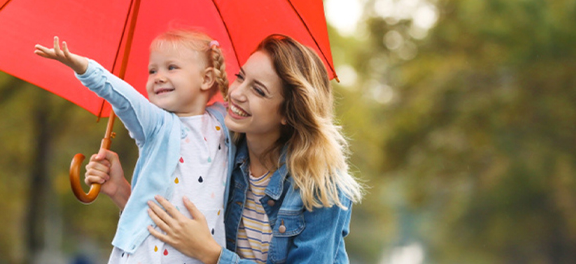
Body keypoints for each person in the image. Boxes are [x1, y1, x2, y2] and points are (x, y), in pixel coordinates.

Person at [87, 34, 363, 263]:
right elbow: (177, 227)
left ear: (288, 113)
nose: (237, 93)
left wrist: (213, 254)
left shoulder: (321, 185)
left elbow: (200, 245)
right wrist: (122, 191)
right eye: (240, 77)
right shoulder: (222, 153)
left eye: (258, 91)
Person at [35, 29, 236, 264]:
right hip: (150, 255)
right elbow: (124, 98)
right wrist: (84, 68)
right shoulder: (158, 124)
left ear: (206, 79)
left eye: (172, 67)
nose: (158, 77)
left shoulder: (223, 122)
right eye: (153, 70)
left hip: (200, 255)